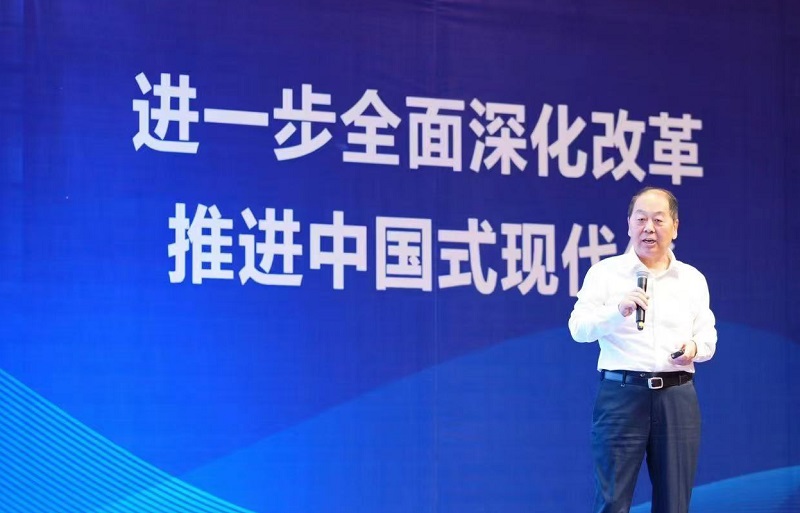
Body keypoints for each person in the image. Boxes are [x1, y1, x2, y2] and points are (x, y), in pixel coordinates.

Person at [568, 187, 717, 513]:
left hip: (676, 396)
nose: (649, 228)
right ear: (629, 225)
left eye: (658, 220)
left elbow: (707, 335)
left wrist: (693, 347)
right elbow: (578, 328)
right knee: (612, 500)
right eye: (641, 219)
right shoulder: (605, 274)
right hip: (621, 395)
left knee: (674, 502)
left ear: (675, 227)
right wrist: (616, 311)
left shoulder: (692, 279)